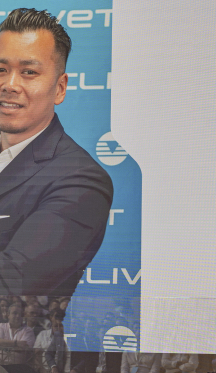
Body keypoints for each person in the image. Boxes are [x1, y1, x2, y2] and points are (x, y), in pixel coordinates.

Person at [0, 8, 113, 296]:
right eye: (1, 70)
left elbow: (12, 284)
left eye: (28, 72)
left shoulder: (81, 180)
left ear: (60, 88)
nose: (9, 85)